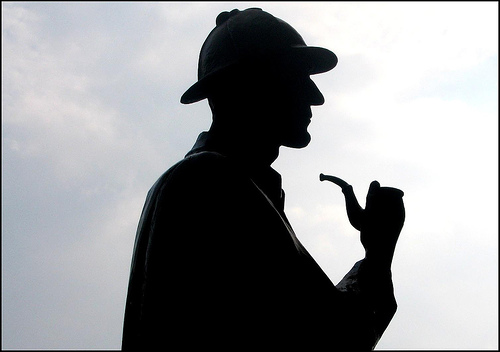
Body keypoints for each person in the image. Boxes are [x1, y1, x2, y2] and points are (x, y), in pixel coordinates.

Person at [122, 8, 405, 350]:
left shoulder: (220, 184)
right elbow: (330, 339)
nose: (316, 96)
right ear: (253, 85)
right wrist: (378, 255)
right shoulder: (212, 185)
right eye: (299, 75)